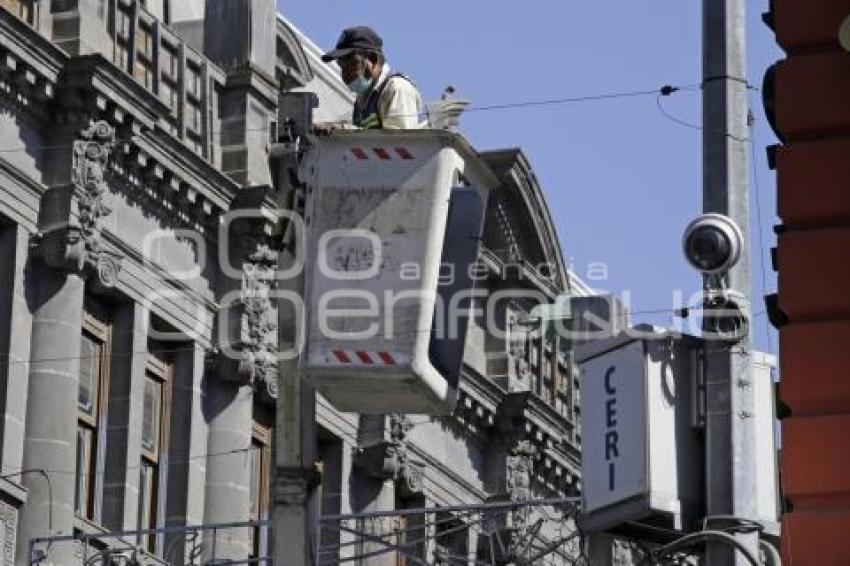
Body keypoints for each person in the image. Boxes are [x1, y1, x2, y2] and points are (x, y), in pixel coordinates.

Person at [321, 26, 427, 130]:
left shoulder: (397, 89)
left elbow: (399, 143)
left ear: (372, 59)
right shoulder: (363, 99)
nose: (345, 74)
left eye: (351, 64)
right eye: (341, 66)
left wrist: (345, 130)